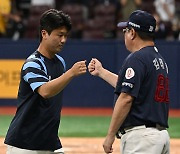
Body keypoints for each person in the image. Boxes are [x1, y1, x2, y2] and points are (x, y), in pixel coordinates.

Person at [4, 9, 87, 154]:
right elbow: (45, 91)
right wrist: (71, 73)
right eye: (59, 35)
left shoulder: (60, 62)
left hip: (48, 141)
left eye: (66, 36)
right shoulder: (32, 63)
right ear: (44, 34)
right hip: (24, 144)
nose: (63, 40)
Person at [88, 10, 170, 154]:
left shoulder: (136, 58)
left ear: (132, 33)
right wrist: (102, 72)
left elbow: (126, 98)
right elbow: (131, 86)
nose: (124, 34)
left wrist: (110, 135)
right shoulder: (159, 59)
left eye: (126, 30)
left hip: (142, 139)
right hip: (160, 135)